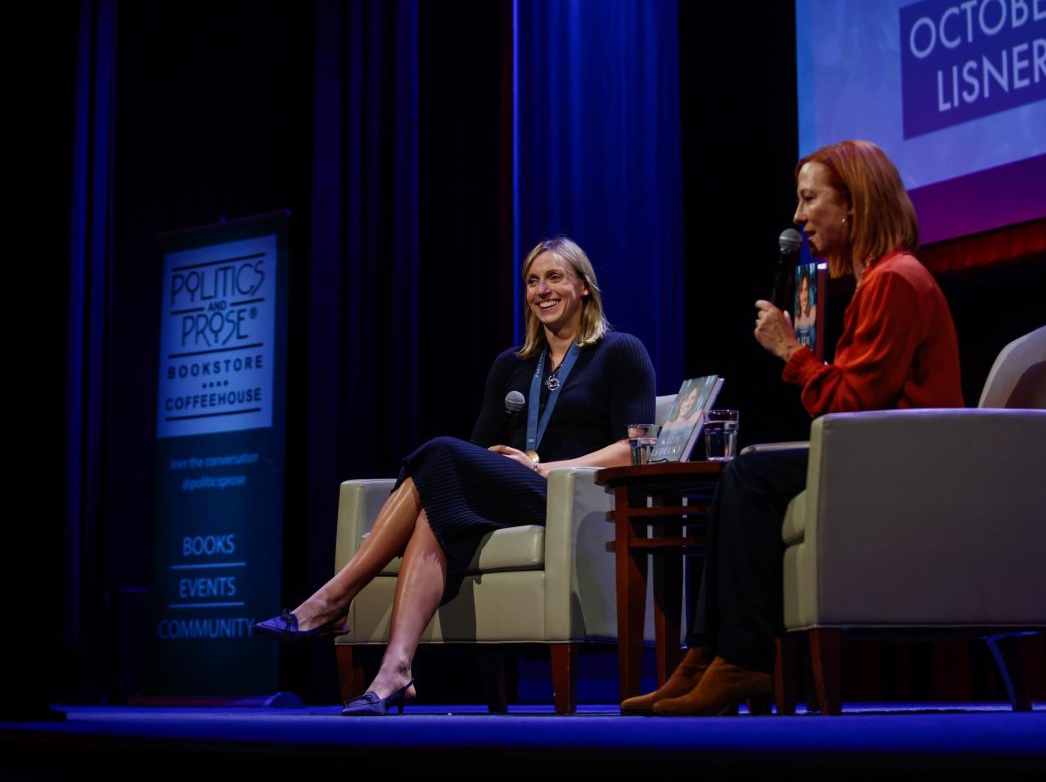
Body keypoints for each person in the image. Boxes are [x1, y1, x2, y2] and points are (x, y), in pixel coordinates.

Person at [620, 139, 964, 716]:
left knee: (751, 474)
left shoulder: (893, 281)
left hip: (903, 466)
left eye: (809, 200)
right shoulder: (878, 281)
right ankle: (708, 654)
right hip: (882, 454)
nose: (798, 218)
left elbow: (851, 407)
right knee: (744, 470)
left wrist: (792, 352)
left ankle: (742, 662)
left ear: (852, 204)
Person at [256, 236, 656, 715]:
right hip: (510, 493)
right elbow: (475, 449)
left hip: (572, 498)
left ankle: (334, 597)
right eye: (532, 281)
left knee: (440, 457)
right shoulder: (511, 365)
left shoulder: (620, 352)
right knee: (439, 494)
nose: (542, 290)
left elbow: (637, 448)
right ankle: (395, 669)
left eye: (554, 277)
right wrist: (500, 459)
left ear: (584, 288)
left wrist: (541, 467)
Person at [792, 267, 816, 349]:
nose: (804, 296)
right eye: (801, 291)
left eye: (806, 290)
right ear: (798, 295)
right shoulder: (796, 319)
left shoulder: (813, 309)